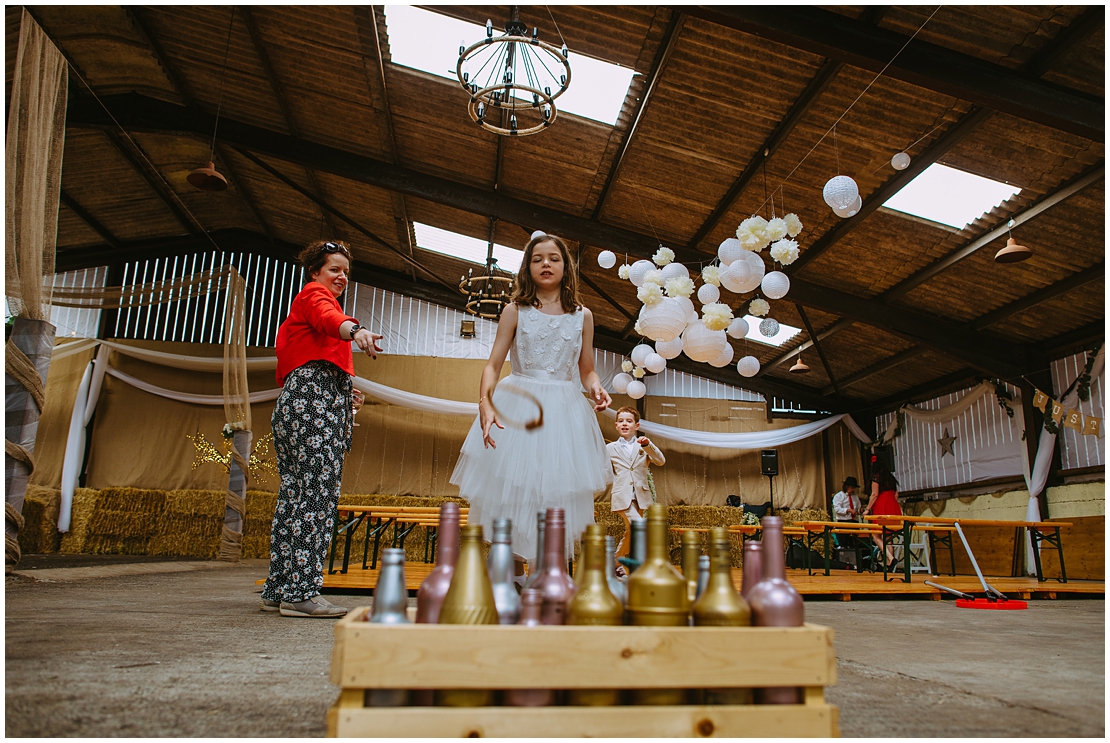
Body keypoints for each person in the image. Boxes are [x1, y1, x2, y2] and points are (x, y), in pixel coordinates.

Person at [450, 233, 613, 567]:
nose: (546, 264)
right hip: (518, 402)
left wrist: (596, 386)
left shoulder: (583, 315)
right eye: (537, 259)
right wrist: (485, 401)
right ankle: (510, 571)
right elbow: (493, 364)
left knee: (553, 492)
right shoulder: (515, 310)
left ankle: (547, 572)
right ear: (527, 267)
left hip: (564, 409)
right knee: (513, 490)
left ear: (566, 267)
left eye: (554, 258)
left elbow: (587, 371)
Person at [261, 240, 383, 618]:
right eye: (334, 269)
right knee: (315, 499)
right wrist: (357, 330)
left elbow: (318, 359)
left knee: (296, 496)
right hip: (311, 404)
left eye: (346, 271)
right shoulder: (315, 296)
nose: (342, 276)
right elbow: (332, 320)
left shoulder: (312, 309)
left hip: (305, 401)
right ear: (315, 271)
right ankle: (301, 593)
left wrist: (345, 394)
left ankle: (280, 587)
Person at [606, 406, 665, 565]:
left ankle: (615, 563)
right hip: (622, 496)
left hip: (641, 496)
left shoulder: (643, 445)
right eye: (621, 421)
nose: (624, 424)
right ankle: (647, 563)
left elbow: (660, 461)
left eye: (629, 421)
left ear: (636, 426)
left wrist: (648, 445)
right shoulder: (610, 449)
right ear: (616, 425)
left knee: (631, 532)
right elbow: (602, 469)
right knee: (639, 526)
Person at [862, 460, 902, 569]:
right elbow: (896, 495)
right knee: (888, 537)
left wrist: (867, 509)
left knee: (876, 536)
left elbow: (874, 494)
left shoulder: (876, 478)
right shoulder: (891, 479)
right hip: (892, 505)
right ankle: (890, 565)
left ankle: (890, 558)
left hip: (882, 505)